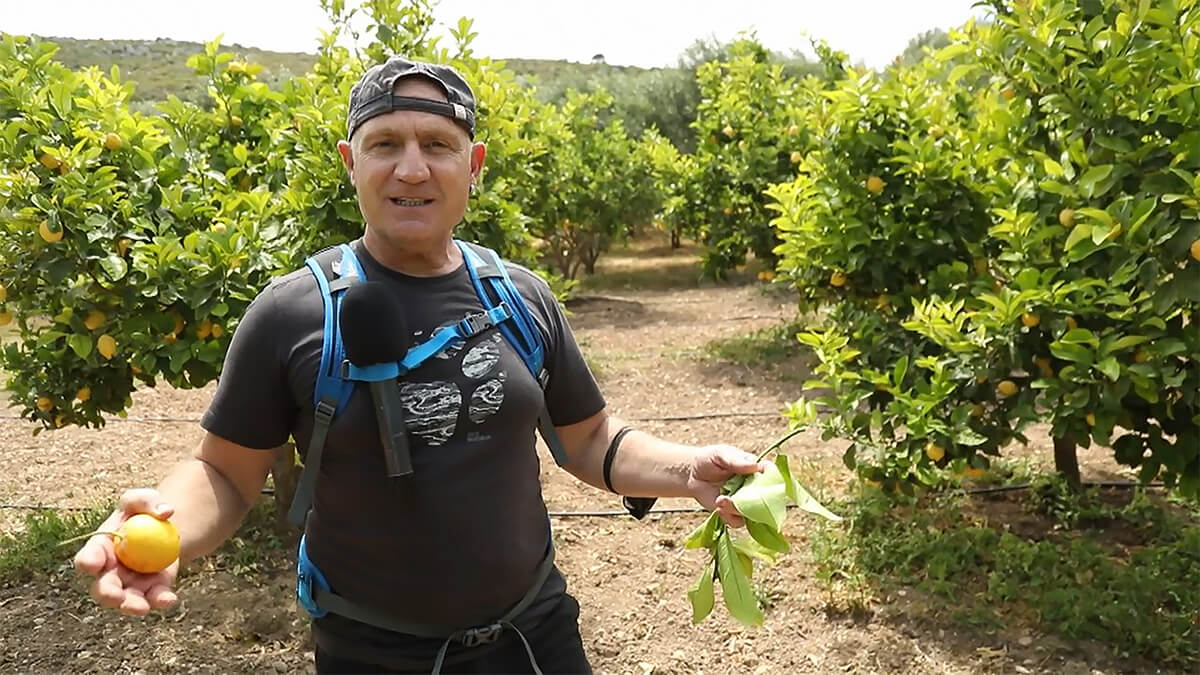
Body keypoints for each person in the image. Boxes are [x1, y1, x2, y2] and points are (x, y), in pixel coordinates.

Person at [73, 56, 765, 675]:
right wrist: (167, 530)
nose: (411, 168)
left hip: (537, 637)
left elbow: (590, 439)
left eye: (437, 144)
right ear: (351, 162)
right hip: (374, 652)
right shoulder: (293, 313)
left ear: (475, 162)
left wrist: (686, 470)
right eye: (385, 145)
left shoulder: (520, 297)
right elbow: (225, 471)